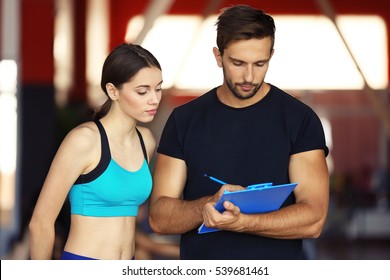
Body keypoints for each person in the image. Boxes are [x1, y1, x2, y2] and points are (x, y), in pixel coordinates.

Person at [149, 4, 329, 260]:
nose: (249, 76)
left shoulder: (300, 120)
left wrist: (242, 222)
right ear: (218, 56)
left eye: (260, 63)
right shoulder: (184, 120)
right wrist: (207, 206)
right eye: (237, 63)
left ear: (271, 55)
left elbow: (314, 219)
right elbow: (159, 218)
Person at [29, 43, 163, 260]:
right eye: (142, 91)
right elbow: (40, 223)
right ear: (112, 91)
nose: (154, 99)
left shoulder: (146, 141)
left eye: (158, 88)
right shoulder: (84, 140)